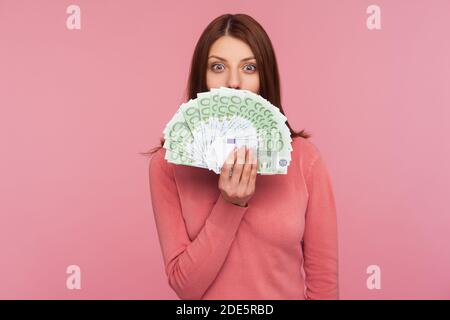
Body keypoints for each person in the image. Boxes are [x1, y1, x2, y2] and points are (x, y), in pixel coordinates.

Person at [146, 13, 339, 300]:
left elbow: (323, 281)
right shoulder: (168, 164)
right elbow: (185, 287)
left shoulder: (304, 160)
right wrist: (231, 203)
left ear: (265, 77)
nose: (233, 82)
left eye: (249, 67)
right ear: (202, 76)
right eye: (218, 66)